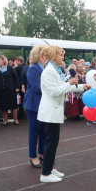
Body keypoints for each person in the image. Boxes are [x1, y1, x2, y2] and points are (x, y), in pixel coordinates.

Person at [38, 45, 90, 183]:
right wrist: (69, 82)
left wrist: (81, 86)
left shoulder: (55, 69)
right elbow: (54, 92)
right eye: (60, 54)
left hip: (54, 111)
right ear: (53, 55)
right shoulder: (48, 71)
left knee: (54, 142)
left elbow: (63, 87)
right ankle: (45, 174)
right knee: (51, 141)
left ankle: (49, 168)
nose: (62, 57)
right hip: (50, 111)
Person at [24, 44, 47, 168]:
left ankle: (42, 154)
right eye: (43, 54)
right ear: (37, 56)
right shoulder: (34, 68)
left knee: (43, 130)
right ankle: (33, 157)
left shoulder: (44, 67)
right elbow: (36, 88)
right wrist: (51, 88)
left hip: (43, 104)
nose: (46, 57)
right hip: (33, 104)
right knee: (34, 131)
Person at [0, 55, 20, 126]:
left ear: (3, 61)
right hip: (0, 91)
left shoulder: (10, 68)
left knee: (13, 105)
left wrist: (17, 87)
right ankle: (5, 120)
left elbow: (16, 77)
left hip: (10, 90)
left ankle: (16, 120)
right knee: (3, 106)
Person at [86, 57, 96, 125]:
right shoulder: (91, 70)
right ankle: (89, 119)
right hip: (91, 89)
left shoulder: (95, 69)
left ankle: (95, 117)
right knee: (91, 103)